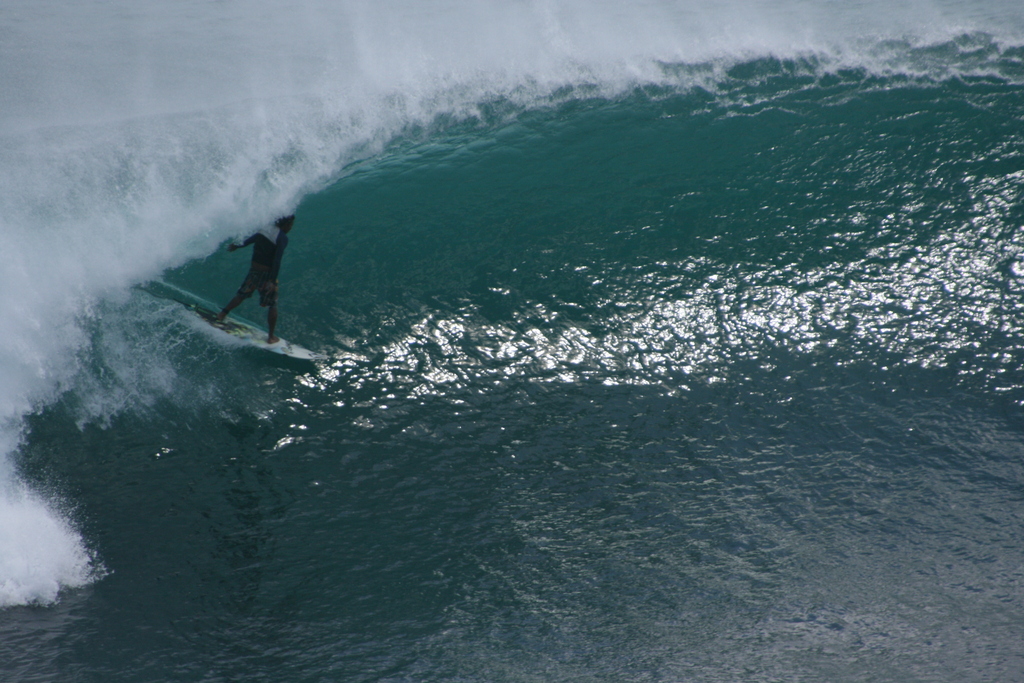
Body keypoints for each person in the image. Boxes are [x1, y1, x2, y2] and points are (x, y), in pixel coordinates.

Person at [217, 214, 295, 343]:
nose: (291, 228)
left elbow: (248, 241)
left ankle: (222, 314)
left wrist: (237, 246)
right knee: (272, 305)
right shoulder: (281, 237)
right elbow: (276, 260)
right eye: (291, 225)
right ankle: (271, 337)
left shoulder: (264, 229)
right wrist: (271, 281)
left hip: (254, 271)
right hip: (266, 275)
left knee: (241, 295)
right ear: (286, 224)